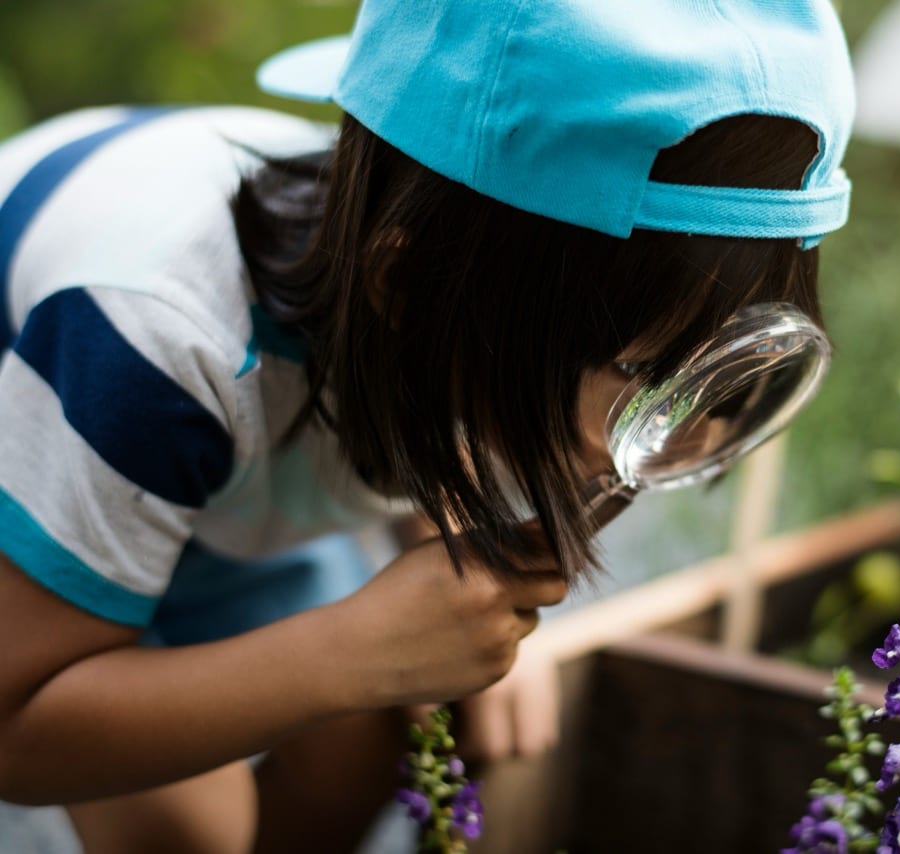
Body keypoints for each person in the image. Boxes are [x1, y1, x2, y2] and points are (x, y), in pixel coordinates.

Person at [0, 0, 855, 851]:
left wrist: (439, 561)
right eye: (639, 371)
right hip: (41, 469)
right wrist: (348, 652)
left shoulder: (451, 306)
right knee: (187, 833)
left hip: (217, 486)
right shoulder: (153, 339)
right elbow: (15, 724)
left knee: (395, 724)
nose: (691, 432)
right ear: (407, 290)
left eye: (732, 366)